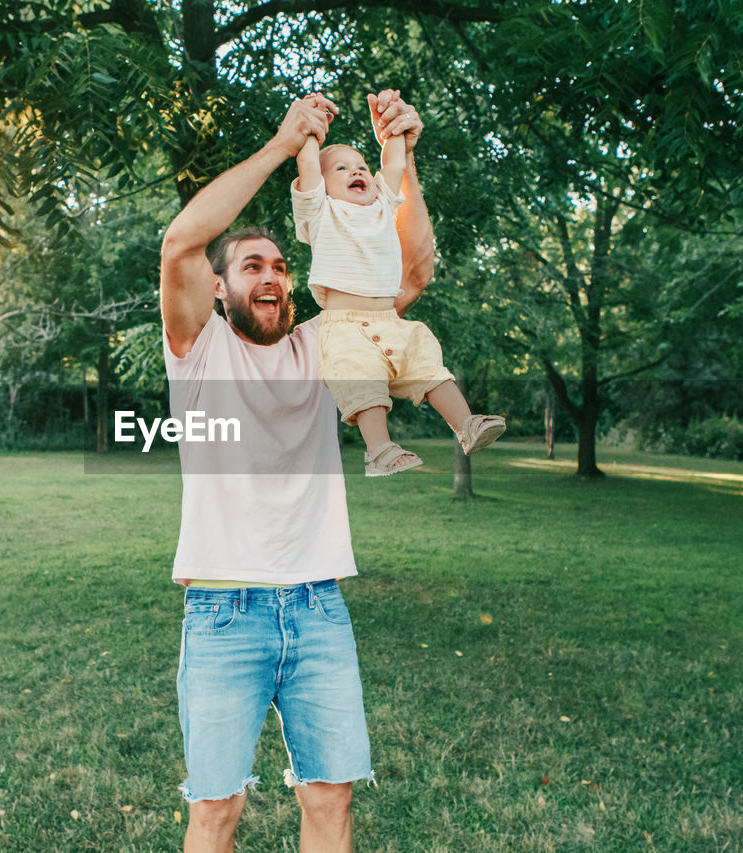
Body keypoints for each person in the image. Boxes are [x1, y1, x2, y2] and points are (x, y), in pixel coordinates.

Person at [159, 89, 430, 853]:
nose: (272, 275)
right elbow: (181, 241)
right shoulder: (198, 347)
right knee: (214, 811)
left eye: (281, 263)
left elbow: (406, 276)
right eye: (252, 265)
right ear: (220, 287)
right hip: (221, 614)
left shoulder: (325, 344)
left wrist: (400, 167)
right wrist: (285, 145)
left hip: (318, 609)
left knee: (331, 801)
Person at [292, 104, 505, 476]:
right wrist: (310, 133)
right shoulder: (320, 213)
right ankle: (379, 449)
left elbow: (393, 166)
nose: (356, 171)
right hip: (342, 326)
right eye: (341, 168)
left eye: (359, 165)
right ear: (323, 185)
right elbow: (308, 168)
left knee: (425, 357)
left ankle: (466, 425)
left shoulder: (381, 207)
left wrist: (393, 135)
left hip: (390, 319)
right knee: (360, 376)